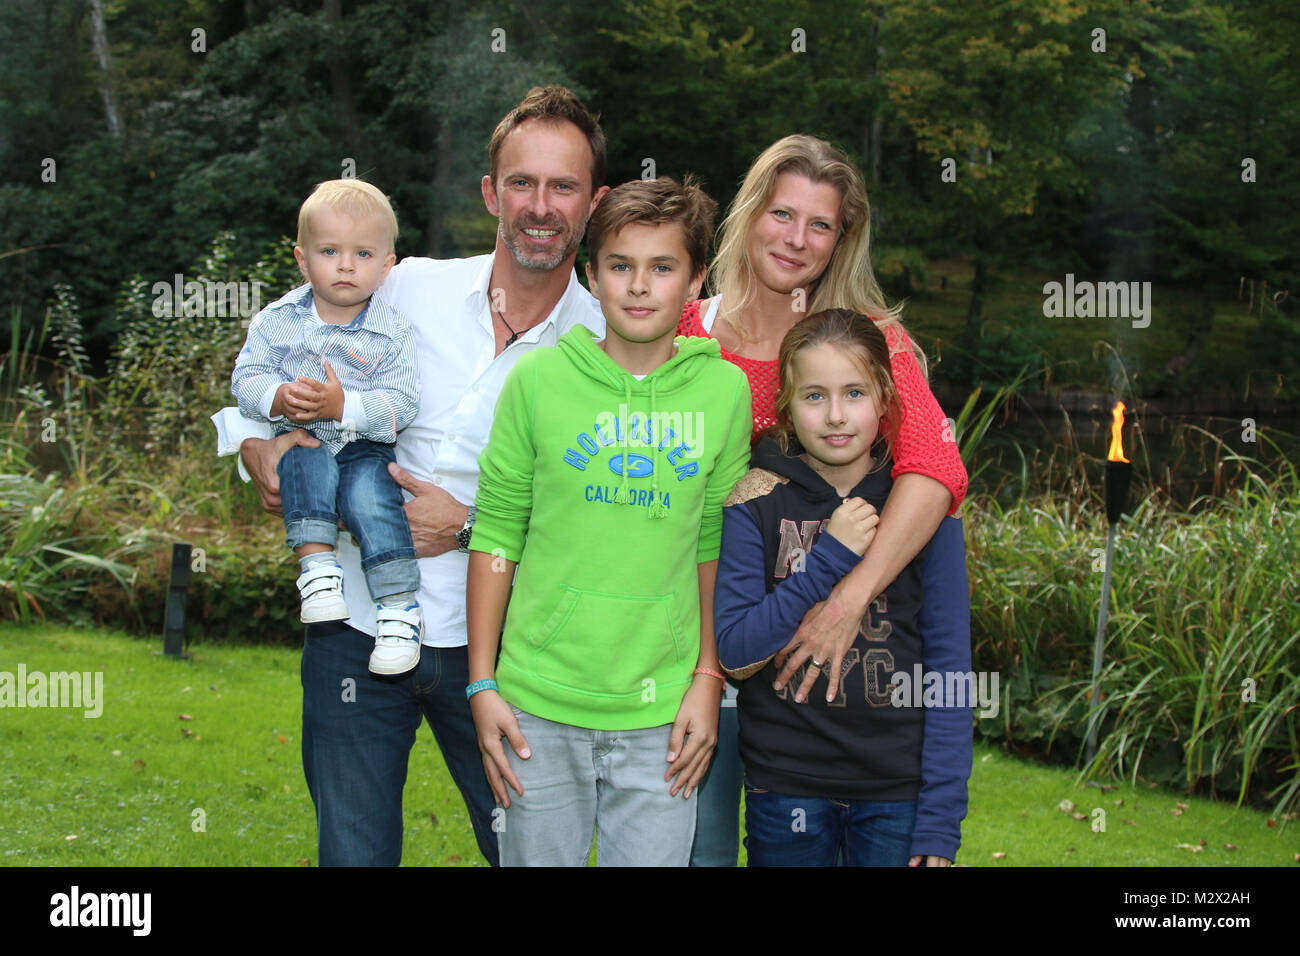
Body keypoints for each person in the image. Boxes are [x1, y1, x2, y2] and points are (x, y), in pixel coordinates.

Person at [211, 86, 611, 866]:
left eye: (563, 186)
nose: (540, 206)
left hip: (508, 656)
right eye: (522, 183)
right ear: (491, 193)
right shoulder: (406, 286)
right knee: (354, 855)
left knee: (529, 856)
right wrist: (253, 439)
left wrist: (464, 526)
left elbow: (603, 524)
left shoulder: (603, 344)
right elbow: (283, 344)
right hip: (355, 629)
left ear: (592, 202)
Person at [678, 134, 969, 865]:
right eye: (782, 213)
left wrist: (848, 600)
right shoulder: (685, 331)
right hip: (697, 646)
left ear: (844, 238)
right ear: (751, 212)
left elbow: (934, 473)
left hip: (837, 687)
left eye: (821, 224)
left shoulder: (871, 343)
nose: (797, 238)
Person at [465, 176, 753, 866]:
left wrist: (708, 680)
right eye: (621, 266)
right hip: (537, 703)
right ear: (592, 276)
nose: (639, 286)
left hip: (663, 714)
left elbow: (716, 547)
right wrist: (481, 684)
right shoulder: (536, 382)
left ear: (696, 280)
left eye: (662, 267)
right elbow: (498, 534)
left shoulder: (724, 391)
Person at [714, 309, 972, 866]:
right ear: (786, 404)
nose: (836, 416)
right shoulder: (754, 502)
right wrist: (828, 557)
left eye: (854, 393)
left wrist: (940, 821)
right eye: (814, 396)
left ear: (884, 397)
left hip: (897, 792)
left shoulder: (921, 512)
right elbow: (735, 652)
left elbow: (951, 665)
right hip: (785, 783)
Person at [231, 179, 424, 677]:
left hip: (363, 446)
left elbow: (403, 404)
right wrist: (276, 396)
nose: (345, 265)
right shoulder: (277, 321)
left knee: (370, 497)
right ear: (302, 258)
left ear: (386, 266)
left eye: (362, 254)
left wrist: (345, 404)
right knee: (303, 461)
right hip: (304, 438)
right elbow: (245, 378)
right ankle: (317, 570)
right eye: (329, 251)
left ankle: (399, 606)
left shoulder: (393, 330)